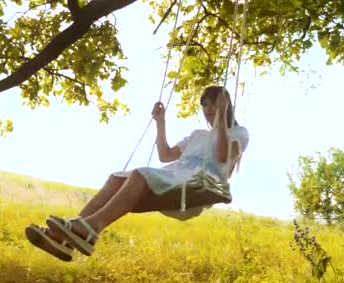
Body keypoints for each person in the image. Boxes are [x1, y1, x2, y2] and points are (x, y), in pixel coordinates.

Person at [25, 86, 250, 261]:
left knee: (141, 175)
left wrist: (220, 118)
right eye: (206, 110)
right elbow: (165, 154)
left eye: (213, 108)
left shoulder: (240, 133)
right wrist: (160, 122)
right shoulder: (198, 135)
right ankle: (63, 239)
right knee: (117, 178)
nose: (208, 115)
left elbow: (222, 156)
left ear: (225, 106)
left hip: (199, 184)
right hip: (176, 176)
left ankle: (92, 227)